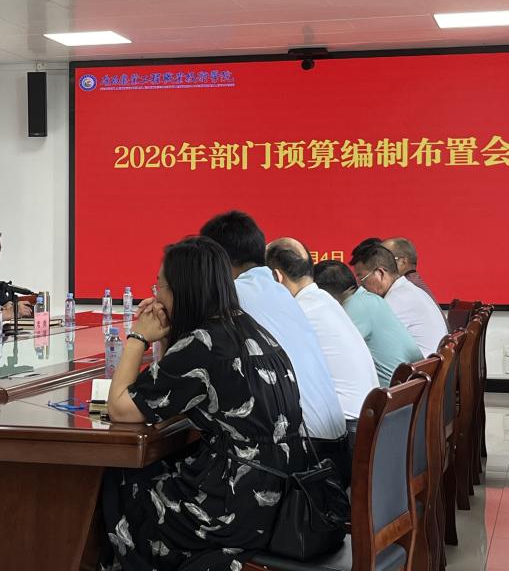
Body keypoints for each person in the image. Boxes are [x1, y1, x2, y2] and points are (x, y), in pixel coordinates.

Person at [102, 236, 309, 569]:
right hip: (283, 498)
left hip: (236, 510)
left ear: (182, 291)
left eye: (160, 287)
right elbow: (171, 388)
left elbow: (121, 409)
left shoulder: (203, 343)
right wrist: (167, 335)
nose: (156, 297)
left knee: (120, 478)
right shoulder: (246, 327)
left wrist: (138, 337)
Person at [200, 211, 349, 477]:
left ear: (216, 261)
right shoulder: (280, 292)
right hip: (334, 448)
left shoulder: (231, 295)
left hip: (301, 456)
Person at [266, 237, 378, 424]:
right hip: (365, 419)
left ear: (276, 277)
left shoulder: (299, 312)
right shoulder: (324, 300)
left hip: (343, 426)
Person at [314, 260, 423, 387]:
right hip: (406, 387)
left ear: (324, 293)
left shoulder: (354, 308)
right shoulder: (368, 298)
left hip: (391, 392)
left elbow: (331, 353)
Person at [351, 241, 447, 356]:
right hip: (429, 362)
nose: (360, 286)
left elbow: (366, 341)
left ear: (380, 273)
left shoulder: (397, 299)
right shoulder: (405, 290)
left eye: (362, 278)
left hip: (420, 365)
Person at [381, 237, 439, 306]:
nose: (378, 263)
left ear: (402, 262)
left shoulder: (404, 289)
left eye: (386, 258)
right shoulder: (416, 284)